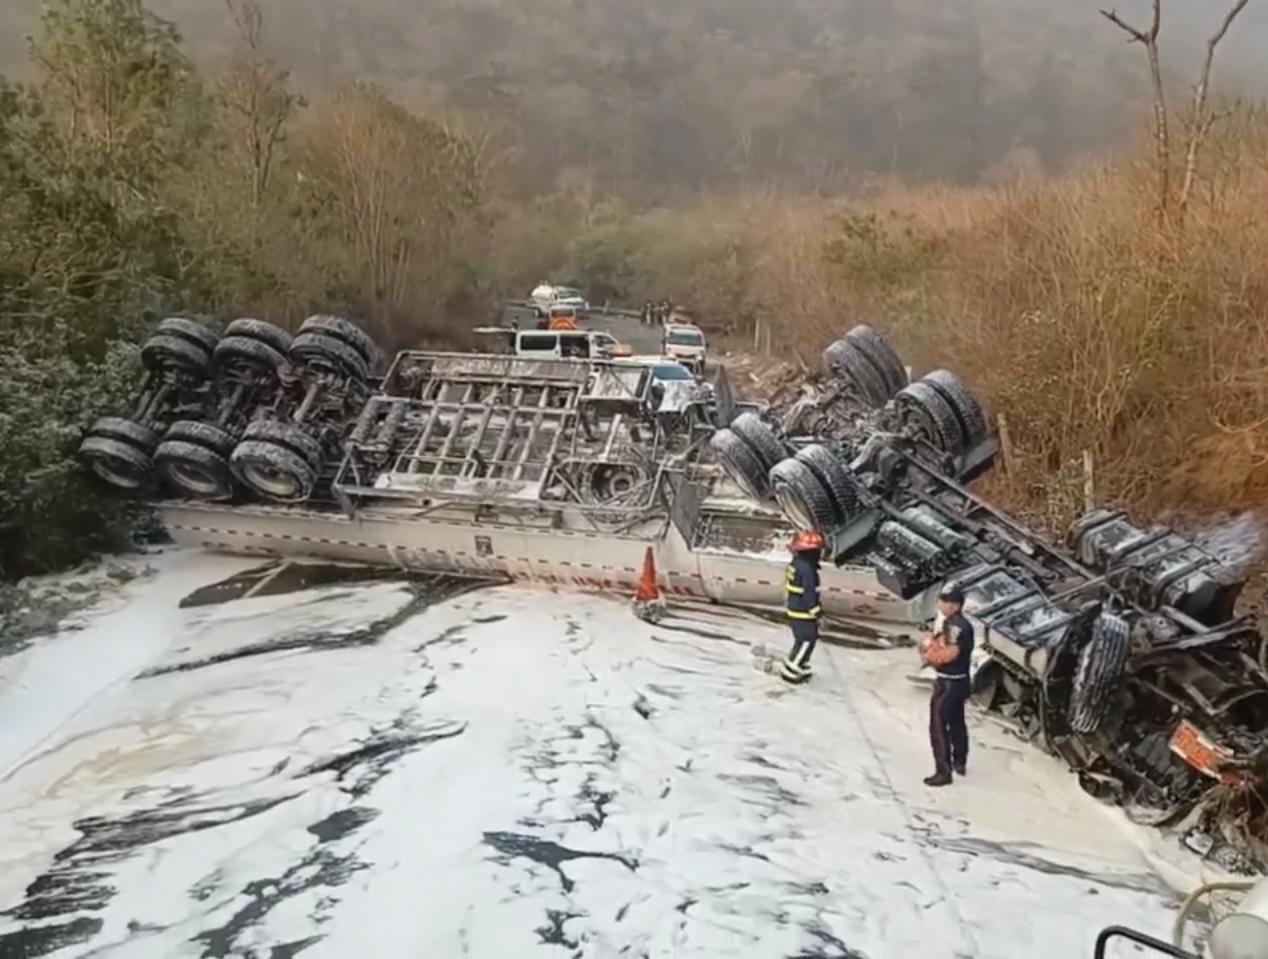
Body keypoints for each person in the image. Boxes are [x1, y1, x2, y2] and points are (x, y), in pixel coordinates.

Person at [921, 585, 974, 787]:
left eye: (943, 602)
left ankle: (943, 771)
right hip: (961, 681)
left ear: (954, 605)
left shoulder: (954, 626)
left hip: (949, 682)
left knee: (938, 725)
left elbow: (950, 653)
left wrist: (930, 656)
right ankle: (960, 761)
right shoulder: (961, 623)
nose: (940, 605)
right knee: (957, 722)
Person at [781, 530, 824, 685]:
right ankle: (792, 669)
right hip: (803, 612)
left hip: (795, 608)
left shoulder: (797, 564)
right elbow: (809, 592)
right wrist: (816, 611)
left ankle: (802, 665)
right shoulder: (807, 569)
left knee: (803, 639)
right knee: (807, 639)